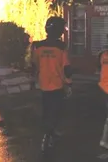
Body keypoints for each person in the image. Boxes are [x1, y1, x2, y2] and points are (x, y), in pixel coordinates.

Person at [30, 16, 72, 152]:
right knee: (57, 110)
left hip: (43, 84)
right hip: (57, 85)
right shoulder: (61, 47)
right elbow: (66, 68)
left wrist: (33, 81)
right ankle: (49, 135)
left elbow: (33, 64)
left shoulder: (37, 46)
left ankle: (49, 133)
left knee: (47, 109)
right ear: (59, 31)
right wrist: (69, 84)